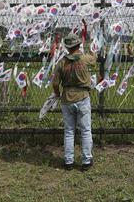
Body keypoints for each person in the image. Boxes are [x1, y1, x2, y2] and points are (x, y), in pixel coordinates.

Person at [52, 33, 96, 171]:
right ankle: (86, 161)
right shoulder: (84, 58)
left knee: (69, 131)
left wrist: (58, 94)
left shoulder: (61, 62)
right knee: (85, 130)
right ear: (78, 45)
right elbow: (94, 59)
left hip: (67, 98)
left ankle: (68, 161)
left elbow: (55, 83)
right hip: (83, 96)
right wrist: (92, 49)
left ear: (67, 47)